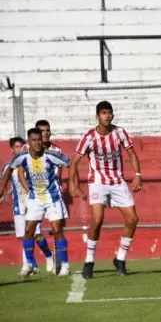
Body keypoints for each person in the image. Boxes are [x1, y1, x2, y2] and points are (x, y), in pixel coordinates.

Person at [69, 101, 142, 279]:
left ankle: (120, 259)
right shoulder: (89, 137)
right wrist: (73, 183)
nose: (107, 116)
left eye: (109, 113)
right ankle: (89, 260)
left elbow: (132, 153)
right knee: (97, 220)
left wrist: (138, 174)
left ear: (113, 115)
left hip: (117, 181)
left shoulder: (119, 133)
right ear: (97, 116)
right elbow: (75, 161)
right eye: (103, 113)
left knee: (132, 219)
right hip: (98, 182)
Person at [0, 128, 71, 277]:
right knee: (29, 231)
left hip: (52, 197)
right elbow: (9, 169)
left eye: (39, 139)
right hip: (35, 198)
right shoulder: (22, 157)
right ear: (29, 142)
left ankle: (65, 265)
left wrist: (73, 183)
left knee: (57, 230)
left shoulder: (51, 156)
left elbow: (70, 163)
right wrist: (2, 187)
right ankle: (30, 264)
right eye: (34, 140)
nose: (38, 142)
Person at [3, 137, 54, 274]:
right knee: (23, 237)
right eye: (17, 147)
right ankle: (31, 265)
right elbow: (8, 184)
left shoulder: (31, 163)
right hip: (18, 205)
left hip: (33, 203)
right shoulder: (8, 167)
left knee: (36, 234)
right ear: (12, 149)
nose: (20, 149)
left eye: (21, 146)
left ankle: (49, 256)